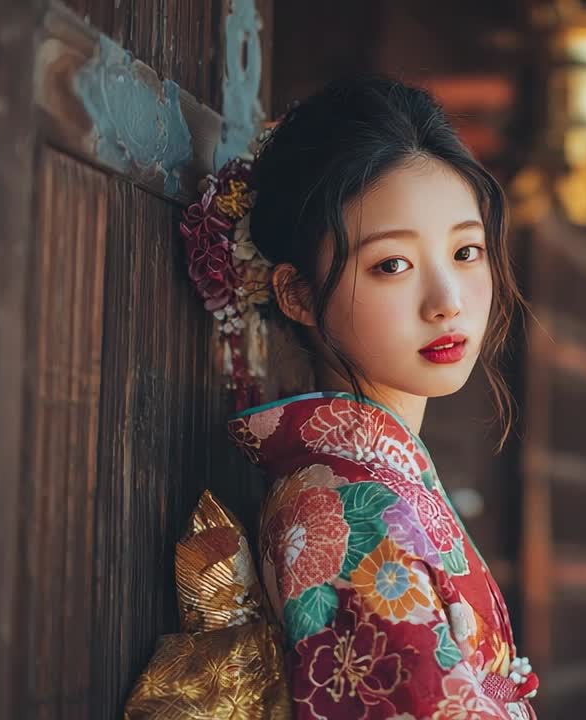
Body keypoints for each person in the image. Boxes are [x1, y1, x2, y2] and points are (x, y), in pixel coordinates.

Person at [223, 74, 537, 719]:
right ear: (298, 295)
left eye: (467, 250)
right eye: (392, 264)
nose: (447, 300)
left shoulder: (365, 481)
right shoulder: (351, 511)